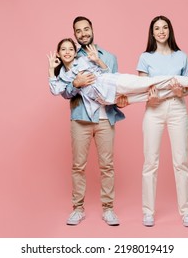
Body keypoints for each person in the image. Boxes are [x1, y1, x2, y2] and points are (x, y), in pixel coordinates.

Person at [137, 15, 188, 228]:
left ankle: (187, 211)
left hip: (177, 109)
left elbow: (185, 92)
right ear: (152, 33)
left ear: (169, 30)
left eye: (164, 28)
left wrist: (181, 91)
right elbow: (143, 88)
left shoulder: (181, 56)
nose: (161, 31)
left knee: (181, 161)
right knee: (150, 162)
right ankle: (148, 212)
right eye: (157, 28)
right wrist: (150, 96)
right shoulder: (145, 57)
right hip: (154, 109)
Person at [56, 16, 125, 226]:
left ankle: (108, 209)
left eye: (86, 29)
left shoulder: (110, 57)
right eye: (78, 31)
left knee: (107, 166)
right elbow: (64, 92)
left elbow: (117, 85)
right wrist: (75, 84)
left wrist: (121, 98)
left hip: (106, 118)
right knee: (78, 166)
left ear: (92, 29)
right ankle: (78, 209)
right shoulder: (71, 58)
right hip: (81, 119)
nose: (83, 33)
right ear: (75, 35)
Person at [48, 38, 188, 120]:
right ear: (59, 53)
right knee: (150, 94)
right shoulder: (63, 76)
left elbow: (104, 70)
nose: (68, 52)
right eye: (64, 49)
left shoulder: (83, 60)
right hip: (107, 98)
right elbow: (57, 90)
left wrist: (96, 59)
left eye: (71, 48)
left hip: (113, 82)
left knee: (151, 82)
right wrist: (51, 70)